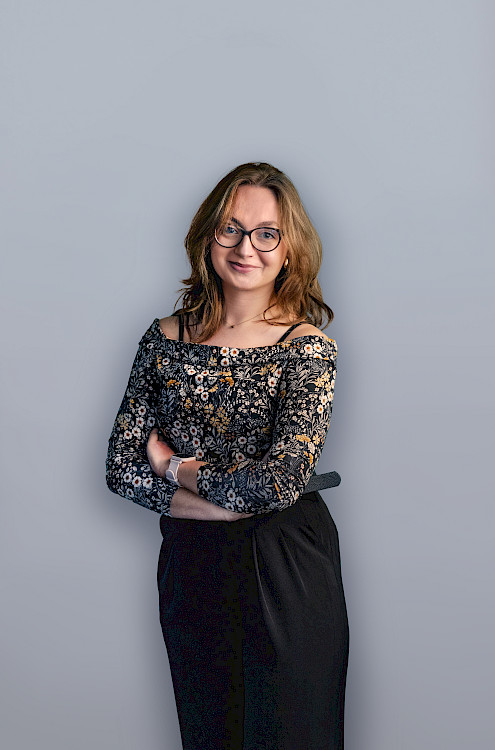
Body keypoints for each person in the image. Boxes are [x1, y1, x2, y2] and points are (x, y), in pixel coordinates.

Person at [105, 162, 349, 749]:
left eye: (267, 233)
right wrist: (221, 507)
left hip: (284, 564)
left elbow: (277, 485)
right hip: (192, 565)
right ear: (207, 235)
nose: (245, 248)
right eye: (231, 229)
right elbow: (119, 467)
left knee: (292, 734)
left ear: (289, 249)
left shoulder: (305, 348)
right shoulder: (165, 338)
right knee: (209, 734)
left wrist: (174, 467)